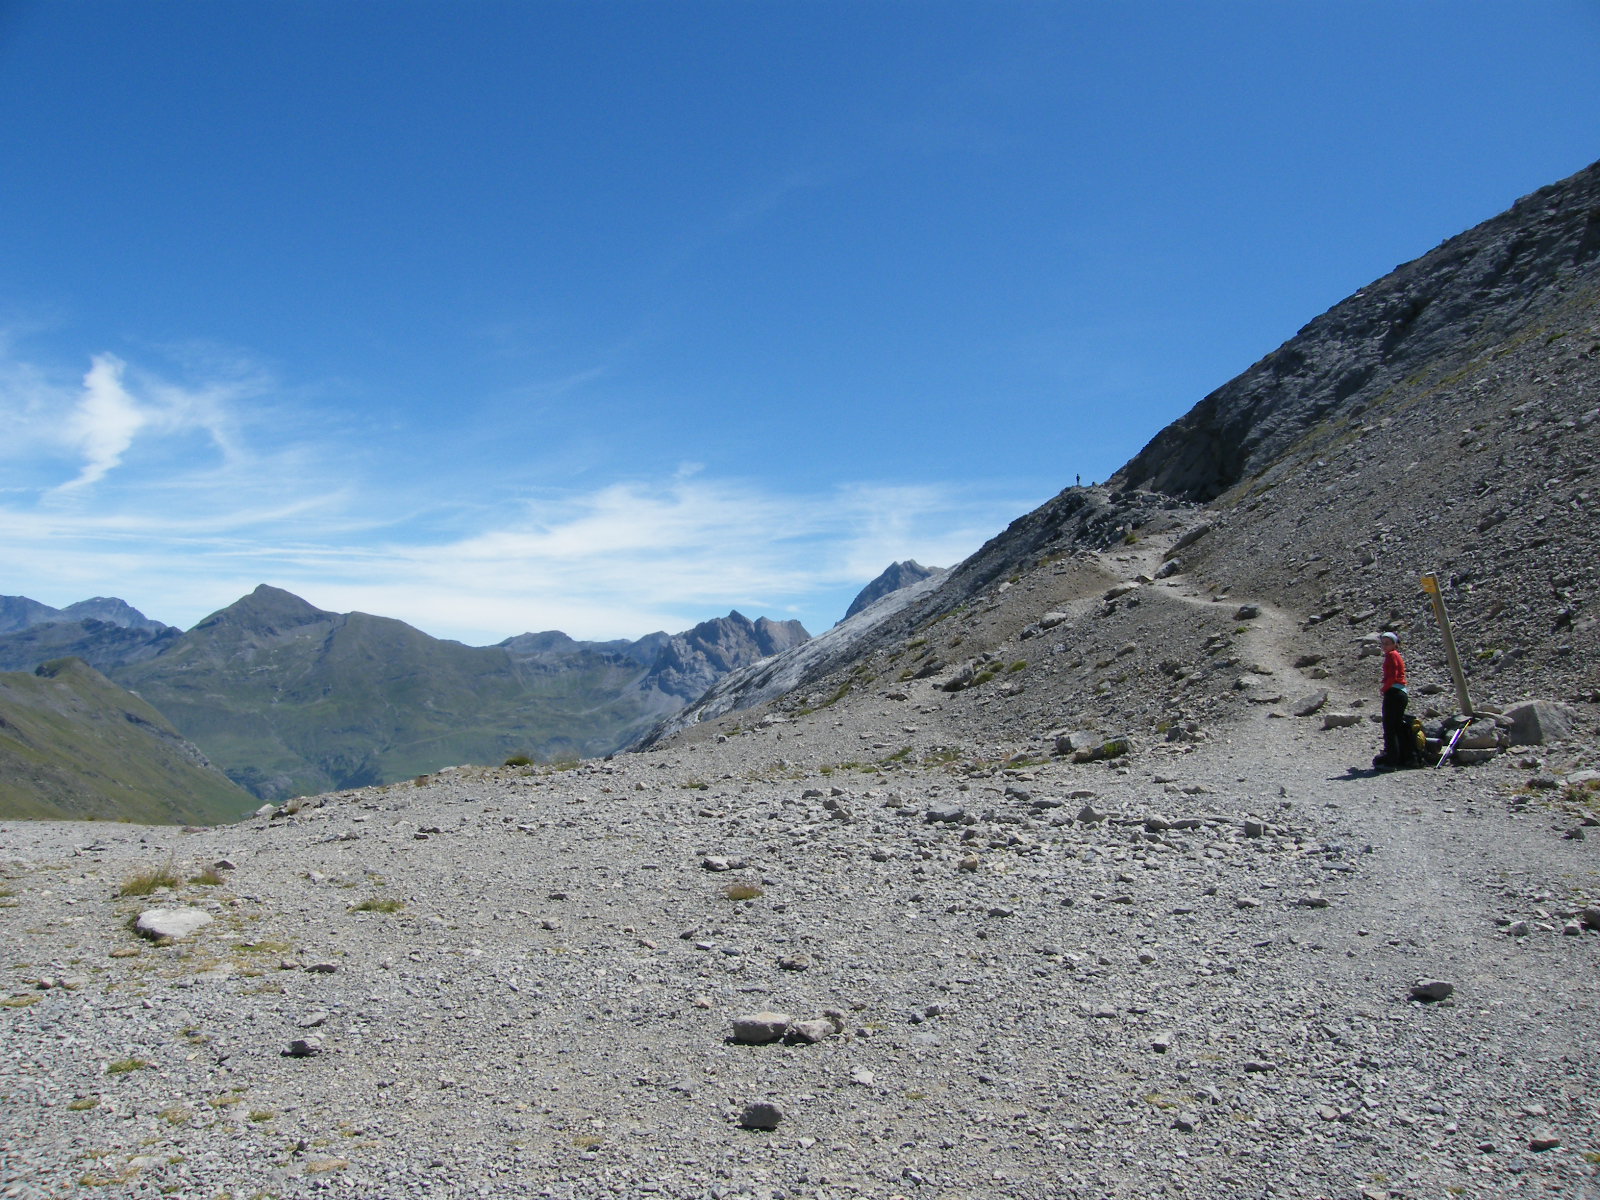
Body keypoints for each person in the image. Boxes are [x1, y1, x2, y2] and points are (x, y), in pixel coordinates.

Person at [1375, 631, 1410, 770]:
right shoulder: (1395, 655)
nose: (1384, 646)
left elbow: (1393, 675)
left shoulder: (1391, 655)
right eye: (1383, 643)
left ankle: (1391, 761)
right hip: (1400, 692)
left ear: (1395, 644)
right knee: (1396, 727)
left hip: (1394, 693)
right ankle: (1400, 757)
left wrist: (1384, 689)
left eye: (1387, 643)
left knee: (1389, 728)